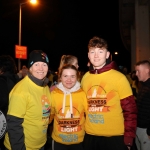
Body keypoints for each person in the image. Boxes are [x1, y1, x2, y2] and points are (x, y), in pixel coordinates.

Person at [81, 36, 137, 150]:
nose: (96, 55)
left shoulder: (119, 77)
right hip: (90, 136)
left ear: (107, 55)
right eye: (92, 52)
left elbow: (130, 110)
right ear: (88, 55)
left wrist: (129, 137)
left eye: (100, 51)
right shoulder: (85, 78)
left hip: (115, 138)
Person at [4, 50, 51, 150]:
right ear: (30, 67)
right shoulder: (21, 90)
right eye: (36, 64)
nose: (41, 68)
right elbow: (13, 124)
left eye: (44, 64)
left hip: (40, 145)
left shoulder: (45, 86)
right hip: (23, 147)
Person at [49, 64, 87, 150]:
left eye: (72, 76)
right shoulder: (54, 94)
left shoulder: (83, 94)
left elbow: (88, 115)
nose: (69, 80)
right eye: (65, 76)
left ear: (77, 77)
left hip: (79, 141)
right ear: (60, 77)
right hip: (59, 141)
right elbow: (50, 115)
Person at [0, 55, 20, 149]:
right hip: (15, 124)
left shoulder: (2, 81)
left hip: (3, 123)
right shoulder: (18, 80)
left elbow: (3, 102)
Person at [135, 60, 150, 150]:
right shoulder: (142, 85)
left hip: (146, 131)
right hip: (139, 128)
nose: (136, 74)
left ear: (147, 70)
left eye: (138, 71)